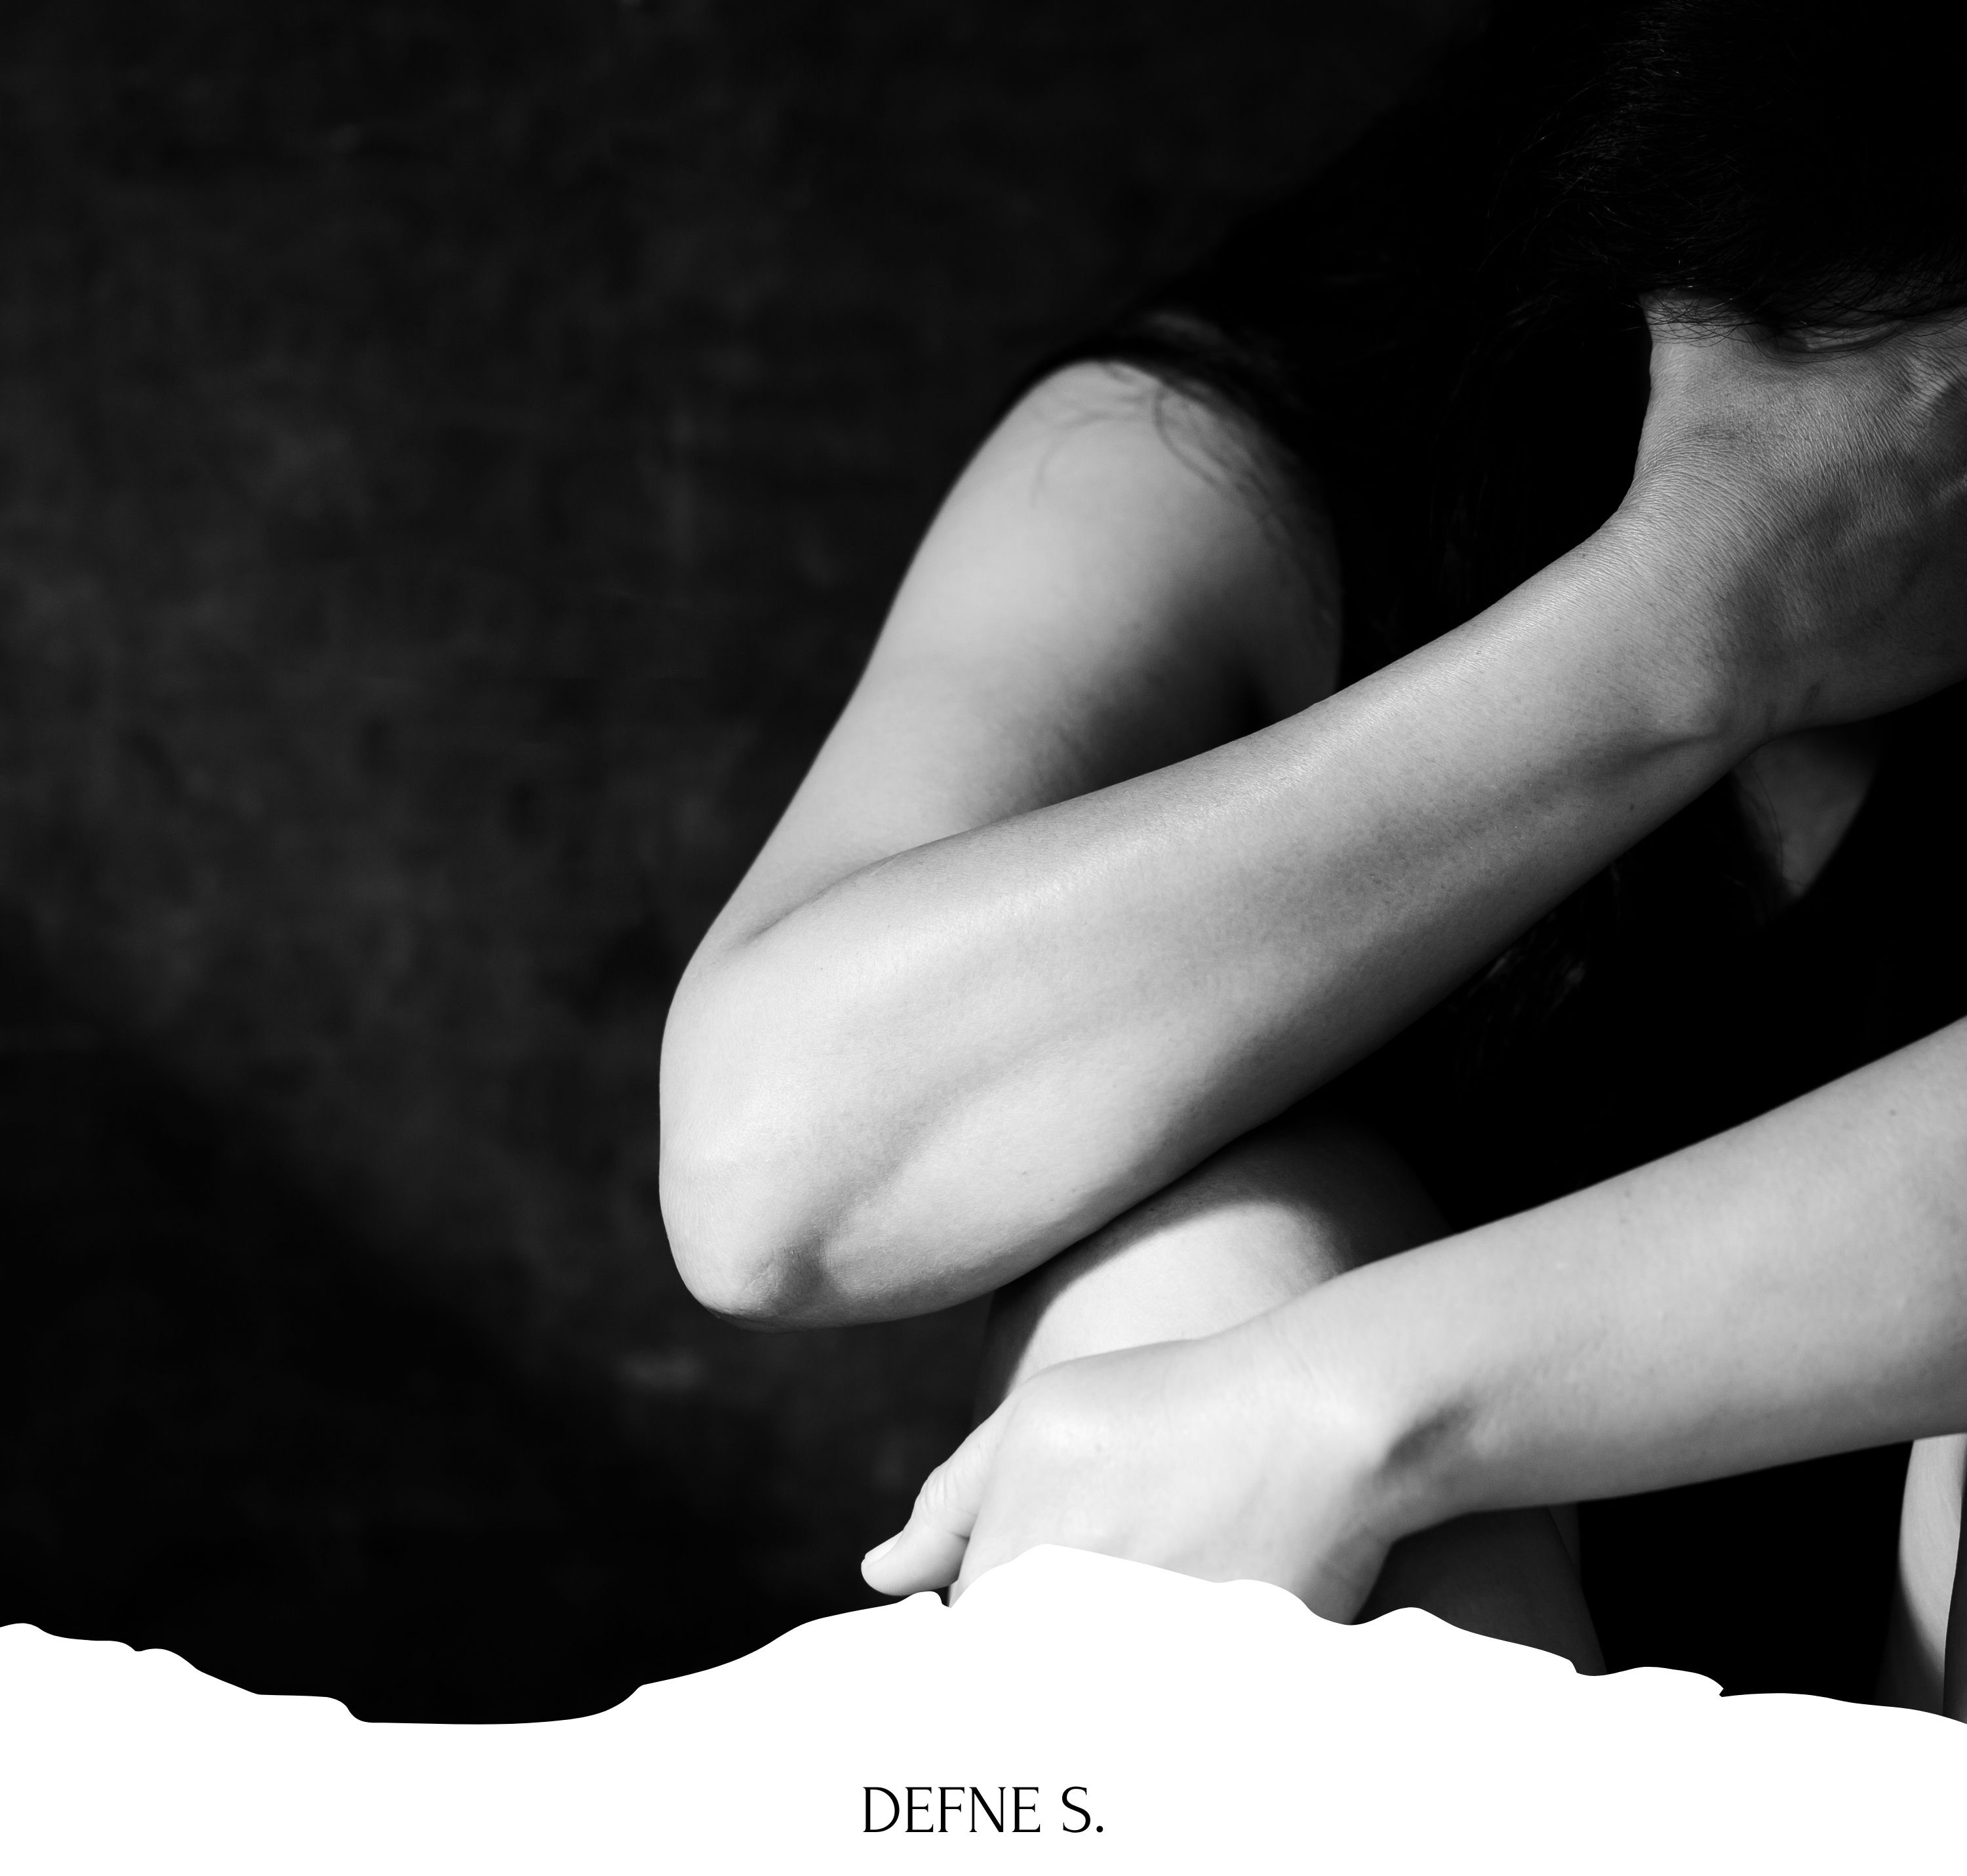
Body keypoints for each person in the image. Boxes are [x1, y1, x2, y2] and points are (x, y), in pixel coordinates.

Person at [658, 0, 1967, 1706]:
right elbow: (778, 1181)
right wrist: (1696, 613)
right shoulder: (1255, 456)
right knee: (1205, 1260)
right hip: (1421, 1658)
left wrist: (1354, 1401)